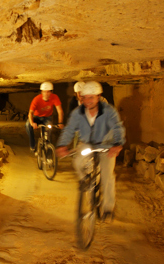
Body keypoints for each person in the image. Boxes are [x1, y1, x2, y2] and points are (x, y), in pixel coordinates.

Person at [56, 82, 126, 220]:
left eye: (91, 98)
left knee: (107, 177)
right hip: (88, 143)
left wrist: (117, 144)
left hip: (107, 145)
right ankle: (86, 181)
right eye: (85, 97)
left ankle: (108, 208)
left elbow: (117, 127)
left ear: (98, 97)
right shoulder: (78, 112)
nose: (87, 101)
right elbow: (70, 129)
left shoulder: (108, 111)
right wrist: (63, 144)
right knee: (77, 161)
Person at [26, 81, 64, 152]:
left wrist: (60, 122)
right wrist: (32, 123)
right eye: (44, 92)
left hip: (47, 117)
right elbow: (30, 113)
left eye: (48, 92)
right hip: (36, 117)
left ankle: (48, 149)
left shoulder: (55, 97)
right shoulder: (36, 99)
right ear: (41, 92)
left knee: (48, 133)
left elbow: (60, 111)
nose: (46, 94)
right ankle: (33, 145)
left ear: (51, 92)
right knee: (28, 125)